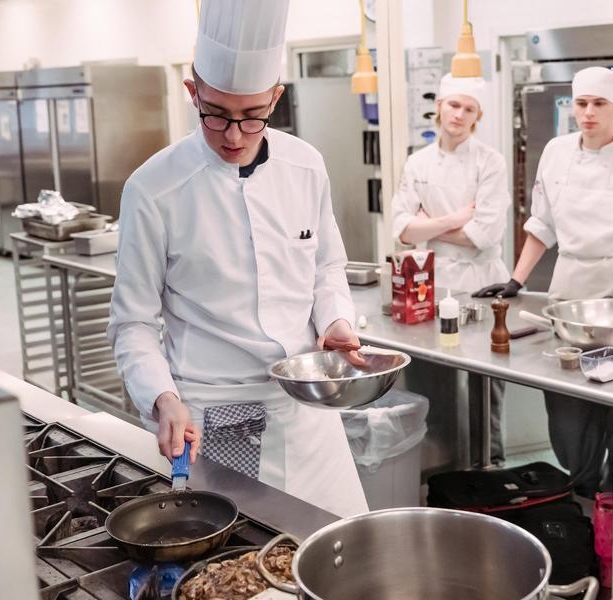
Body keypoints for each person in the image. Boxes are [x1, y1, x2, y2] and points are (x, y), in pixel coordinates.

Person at [107, 0, 367, 517]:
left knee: (335, 548)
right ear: (193, 92)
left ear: (276, 97)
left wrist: (335, 319)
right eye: (216, 115)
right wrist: (162, 398)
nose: (233, 136)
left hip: (306, 412)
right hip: (213, 414)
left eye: (252, 118)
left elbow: (325, 266)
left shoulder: (306, 166)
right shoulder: (153, 188)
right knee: (240, 557)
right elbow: (133, 322)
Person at [475, 67, 613, 496]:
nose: (588, 113)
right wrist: (515, 279)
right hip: (570, 291)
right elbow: (542, 224)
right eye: (581, 103)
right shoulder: (557, 151)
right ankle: (580, 487)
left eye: (599, 104)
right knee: (568, 404)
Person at [392, 74, 510, 464]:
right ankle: (444, 465)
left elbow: (484, 235)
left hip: (480, 282)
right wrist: (456, 220)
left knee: (485, 384)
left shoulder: (490, 162)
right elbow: (402, 230)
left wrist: (429, 225)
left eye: (469, 109)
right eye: (453, 105)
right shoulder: (418, 162)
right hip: (432, 283)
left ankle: (489, 463)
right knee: (433, 379)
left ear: (477, 117)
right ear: (439, 107)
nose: (459, 114)